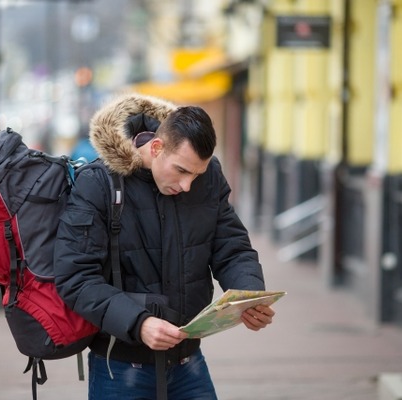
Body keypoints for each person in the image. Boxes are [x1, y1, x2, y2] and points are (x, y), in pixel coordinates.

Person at [53, 93, 275, 400]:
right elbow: (75, 278)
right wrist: (138, 323)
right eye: (182, 171)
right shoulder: (98, 183)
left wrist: (249, 295)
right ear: (156, 148)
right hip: (119, 367)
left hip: (188, 361)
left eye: (197, 174)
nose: (187, 185)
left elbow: (232, 247)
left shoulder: (207, 177)